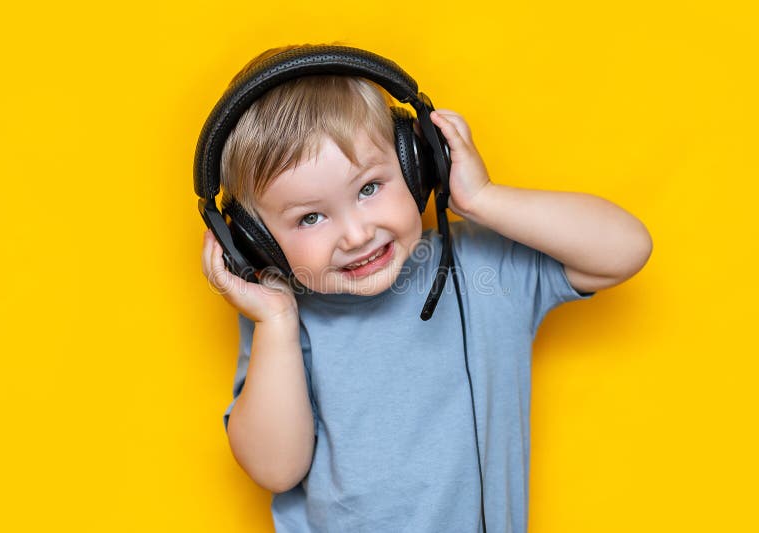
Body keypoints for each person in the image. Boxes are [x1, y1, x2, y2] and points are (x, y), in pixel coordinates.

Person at [200, 44, 652, 533]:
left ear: (419, 163)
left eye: (369, 188)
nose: (356, 234)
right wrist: (277, 323)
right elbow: (274, 468)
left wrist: (482, 200)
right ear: (254, 241)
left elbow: (625, 249)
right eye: (310, 217)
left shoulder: (486, 267)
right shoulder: (284, 316)